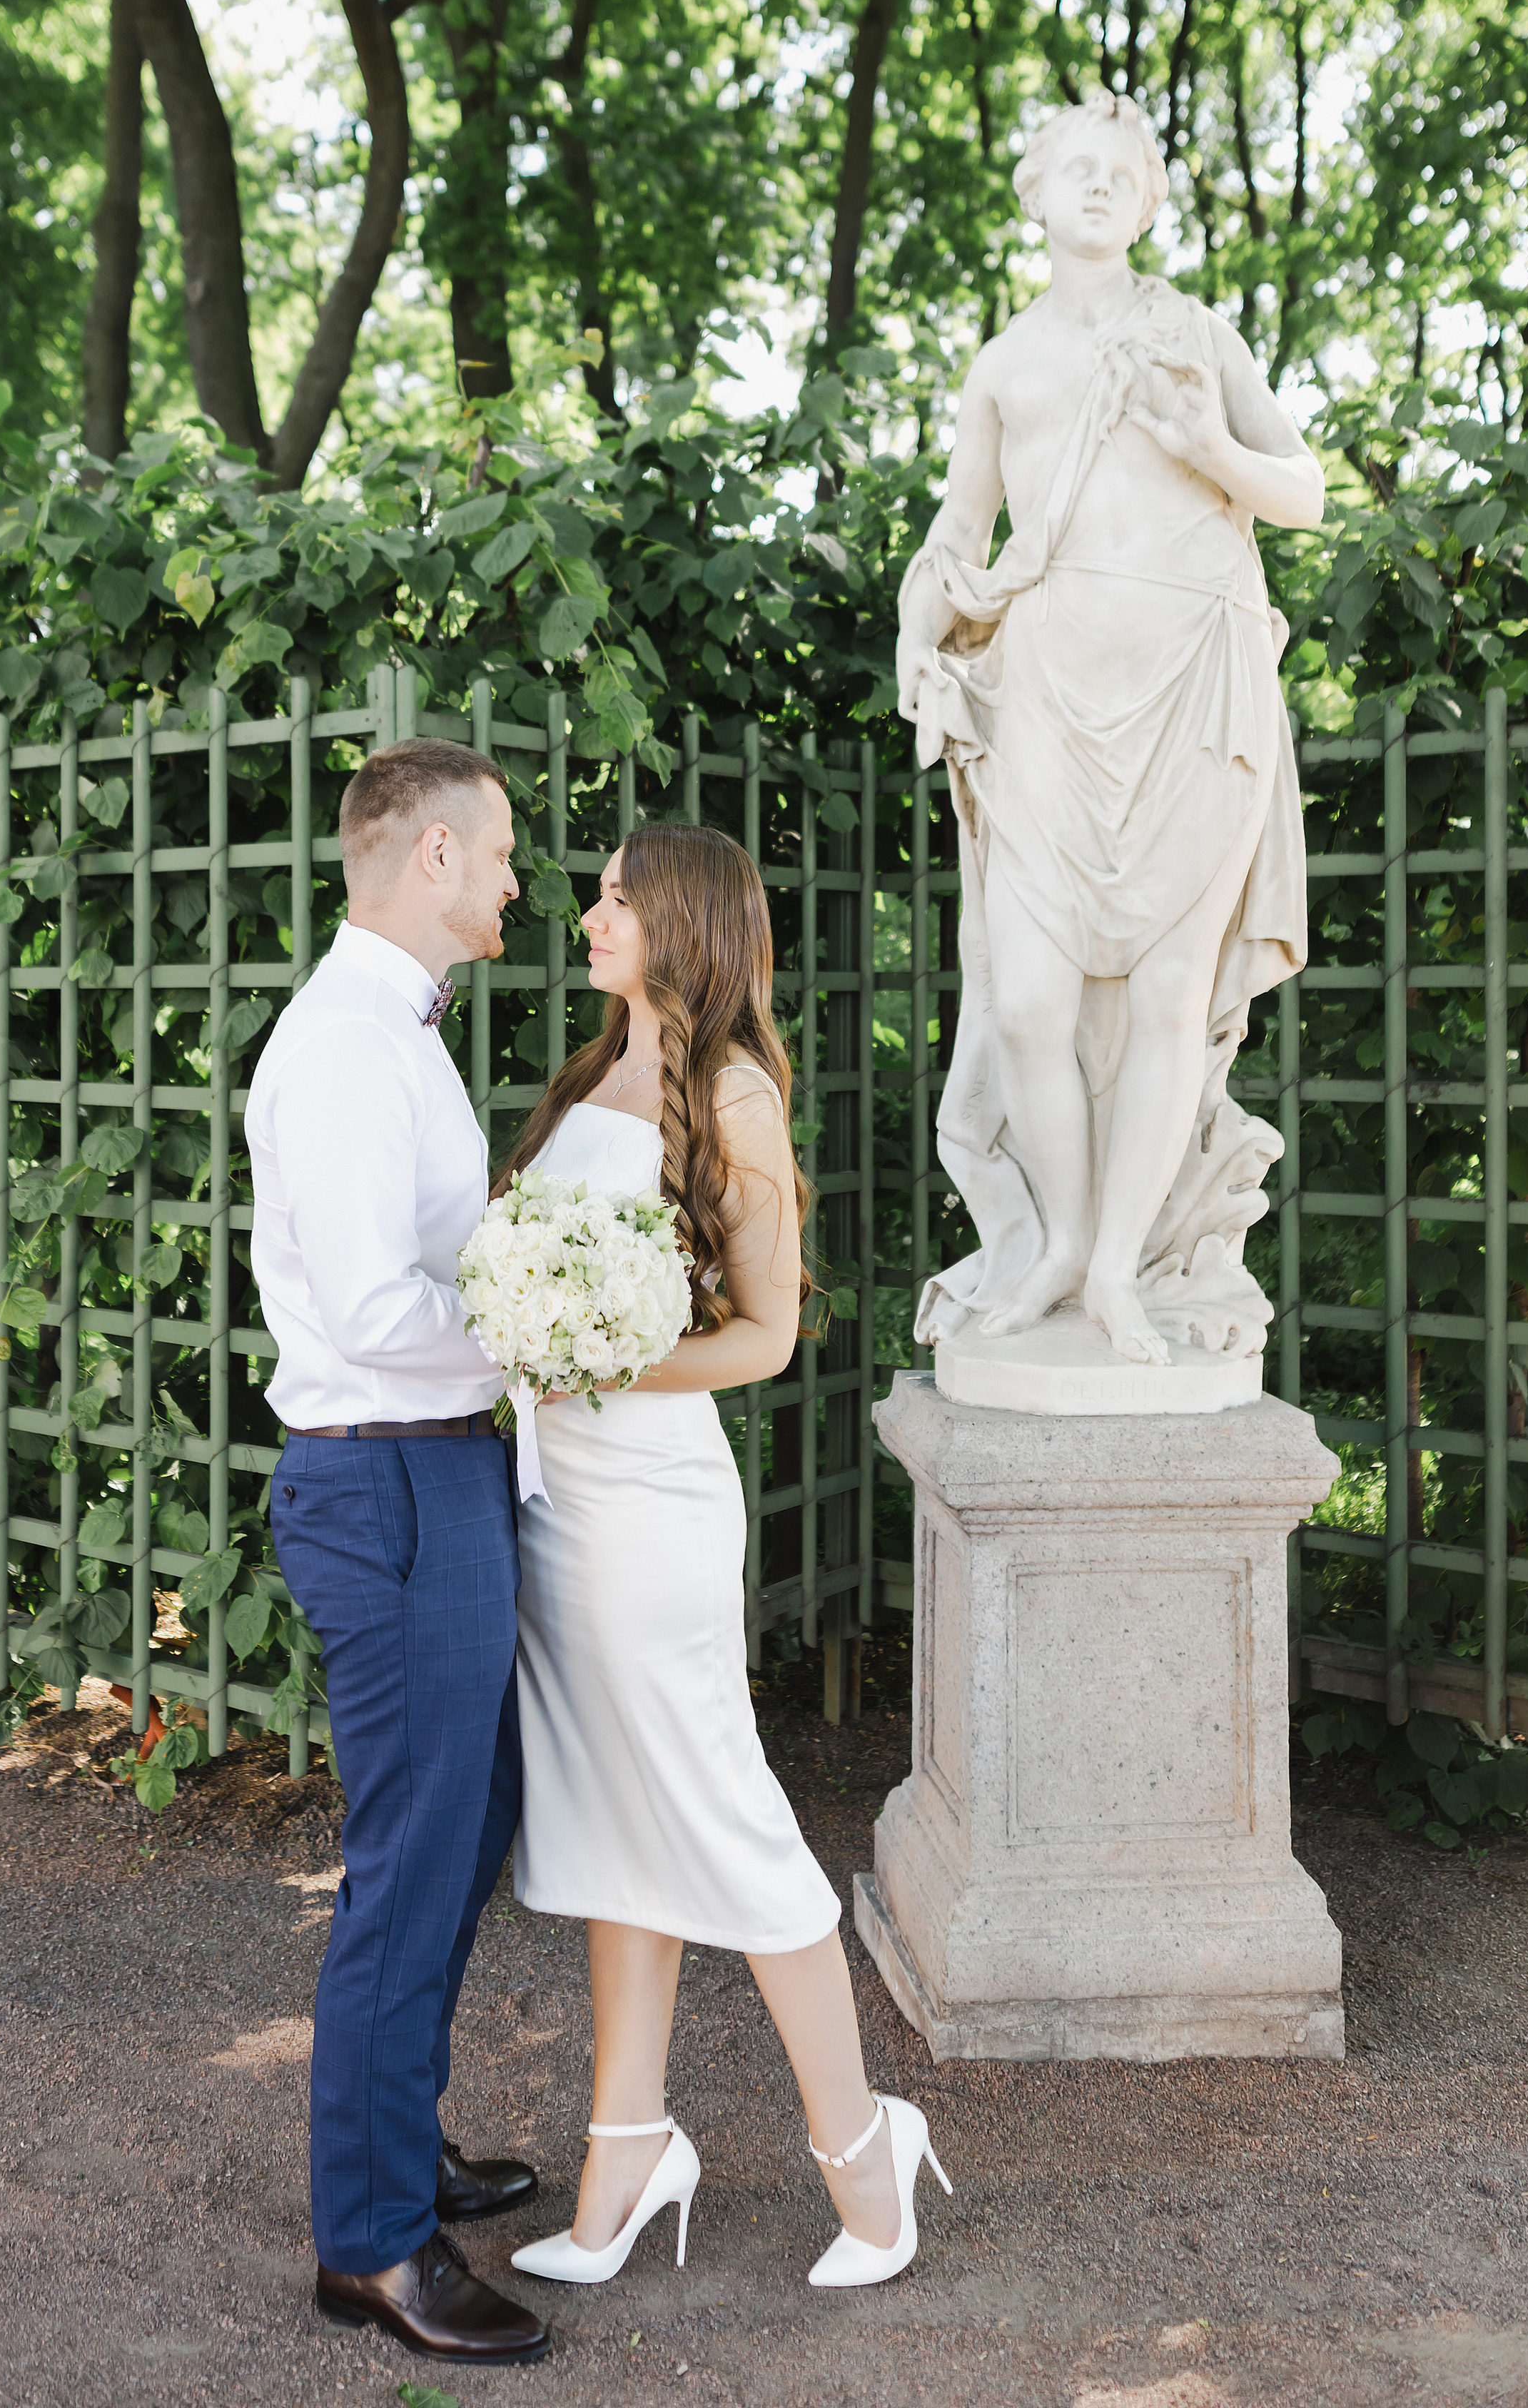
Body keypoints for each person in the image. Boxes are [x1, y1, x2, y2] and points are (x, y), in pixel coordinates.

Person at [501, 824, 951, 2291]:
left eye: (619, 895)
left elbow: (761, 1335)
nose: (591, 911)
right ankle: (624, 2148)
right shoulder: (588, 1078)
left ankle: (862, 2144)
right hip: (551, 1496)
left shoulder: (732, 1090)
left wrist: (598, 1356)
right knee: (610, 1813)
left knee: (714, 1809)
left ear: (683, 919)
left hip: (648, 1504)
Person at [896, 88, 1323, 1370]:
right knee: (1028, 999)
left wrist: (1210, 444)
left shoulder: (1194, 330)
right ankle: (1063, 1250)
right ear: (1032, 194)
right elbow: (954, 538)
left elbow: (1300, 490)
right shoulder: (1005, 366)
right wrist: (920, 633)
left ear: (1147, 201)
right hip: (1051, 686)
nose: (1096, 187)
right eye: (1072, 168)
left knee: (1166, 1000)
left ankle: (1124, 1278)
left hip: (1196, 675)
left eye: (1120, 172)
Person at [246, 737, 552, 2369]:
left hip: (431, 1476)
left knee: (469, 1815)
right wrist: (542, 1347)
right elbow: (374, 1313)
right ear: (429, 856)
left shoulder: (398, 1035)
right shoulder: (351, 1051)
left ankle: (393, 2137)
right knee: (412, 1853)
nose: (513, 880)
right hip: (387, 1486)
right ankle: (368, 2243)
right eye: (496, 853)